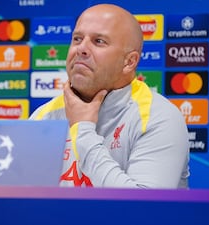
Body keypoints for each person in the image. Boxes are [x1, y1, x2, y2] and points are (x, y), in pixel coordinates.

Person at [29, 3, 190, 188]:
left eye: (99, 41)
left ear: (129, 62)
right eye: (77, 39)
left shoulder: (158, 117)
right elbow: (20, 202)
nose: (81, 49)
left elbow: (143, 207)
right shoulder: (43, 118)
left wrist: (83, 130)